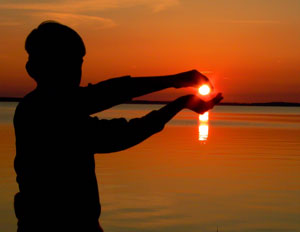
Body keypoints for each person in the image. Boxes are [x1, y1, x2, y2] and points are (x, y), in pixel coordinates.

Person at [13, 21, 223, 232]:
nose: (79, 70)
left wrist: (178, 90)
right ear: (56, 64)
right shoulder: (43, 110)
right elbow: (120, 130)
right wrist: (177, 92)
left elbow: (110, 95)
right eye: (75, 61)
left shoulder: (42, 106)